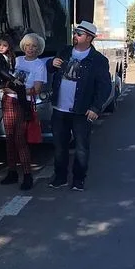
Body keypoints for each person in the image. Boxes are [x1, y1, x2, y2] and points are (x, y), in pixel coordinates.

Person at [46, 21, 112, 191]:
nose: (75, 36)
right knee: (60, 146)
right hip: (60, 109)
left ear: (89, 38)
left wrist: (96, 107)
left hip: (81, 111)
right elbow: (50, 68)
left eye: (79, 34)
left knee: (81, 147)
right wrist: (51, 63)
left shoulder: (98, 60)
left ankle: (78, 179)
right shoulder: (65, 51)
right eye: (75, 33)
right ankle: (60, 177)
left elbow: (104, 86)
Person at [0, 33, 48, 190]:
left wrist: (19, 90)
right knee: (9, 138)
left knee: (20, 140)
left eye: (34, 46)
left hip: (22, 103)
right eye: (28, 45)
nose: (30, 49)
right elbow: (5, 81)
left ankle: (27, 175)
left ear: (38, 49)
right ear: (23, 46)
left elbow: (36, 89)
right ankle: (12, 172)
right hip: (8, 101)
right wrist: (7, 88)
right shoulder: (16, 60)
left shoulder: (39, 65)